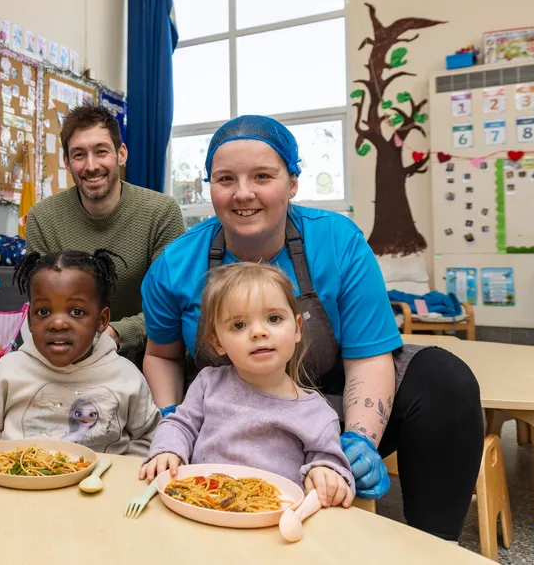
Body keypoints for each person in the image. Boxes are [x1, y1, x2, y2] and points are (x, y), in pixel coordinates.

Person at [141, 115, 483, 540]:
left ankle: (433, 547)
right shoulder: (174, 265)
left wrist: (359, 439)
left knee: (445, 381)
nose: (243, 193)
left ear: (293, 182)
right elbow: (162, 354)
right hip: (229, 412)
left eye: (262, 176)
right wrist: (173, 422)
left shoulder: (338, 240)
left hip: (331, 401)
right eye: (225, 179)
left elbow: (369, 353)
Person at [139, 263, 354, 509]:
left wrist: (327, 473)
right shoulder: (208, 383)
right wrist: (168, 451)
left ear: (297, 328)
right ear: (218, 342)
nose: (259, 332)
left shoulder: (317, 413)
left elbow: (330, 464)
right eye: (239, 325)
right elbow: (180, 425)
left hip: (271, 522)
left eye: (274, 318)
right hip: (199, 504)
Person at [0, 250, 159, 455]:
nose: (58, 323)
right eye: (43, 312)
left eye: (76, 312)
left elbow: (148, 439)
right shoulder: (10, 369)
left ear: (102, 320)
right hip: (16, 483)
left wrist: (120, 476)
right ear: (30, 320)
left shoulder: (126, 377)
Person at [25, 104, 183, 366]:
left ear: (121, 154)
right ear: (67, 162)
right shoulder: (43, 218)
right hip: (68, 356)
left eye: (101, 152)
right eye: (78, 154)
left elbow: (170, 307)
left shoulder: (161, 212)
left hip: (147, 357)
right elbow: (43, 307)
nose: (91, 166)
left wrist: (113, 334)